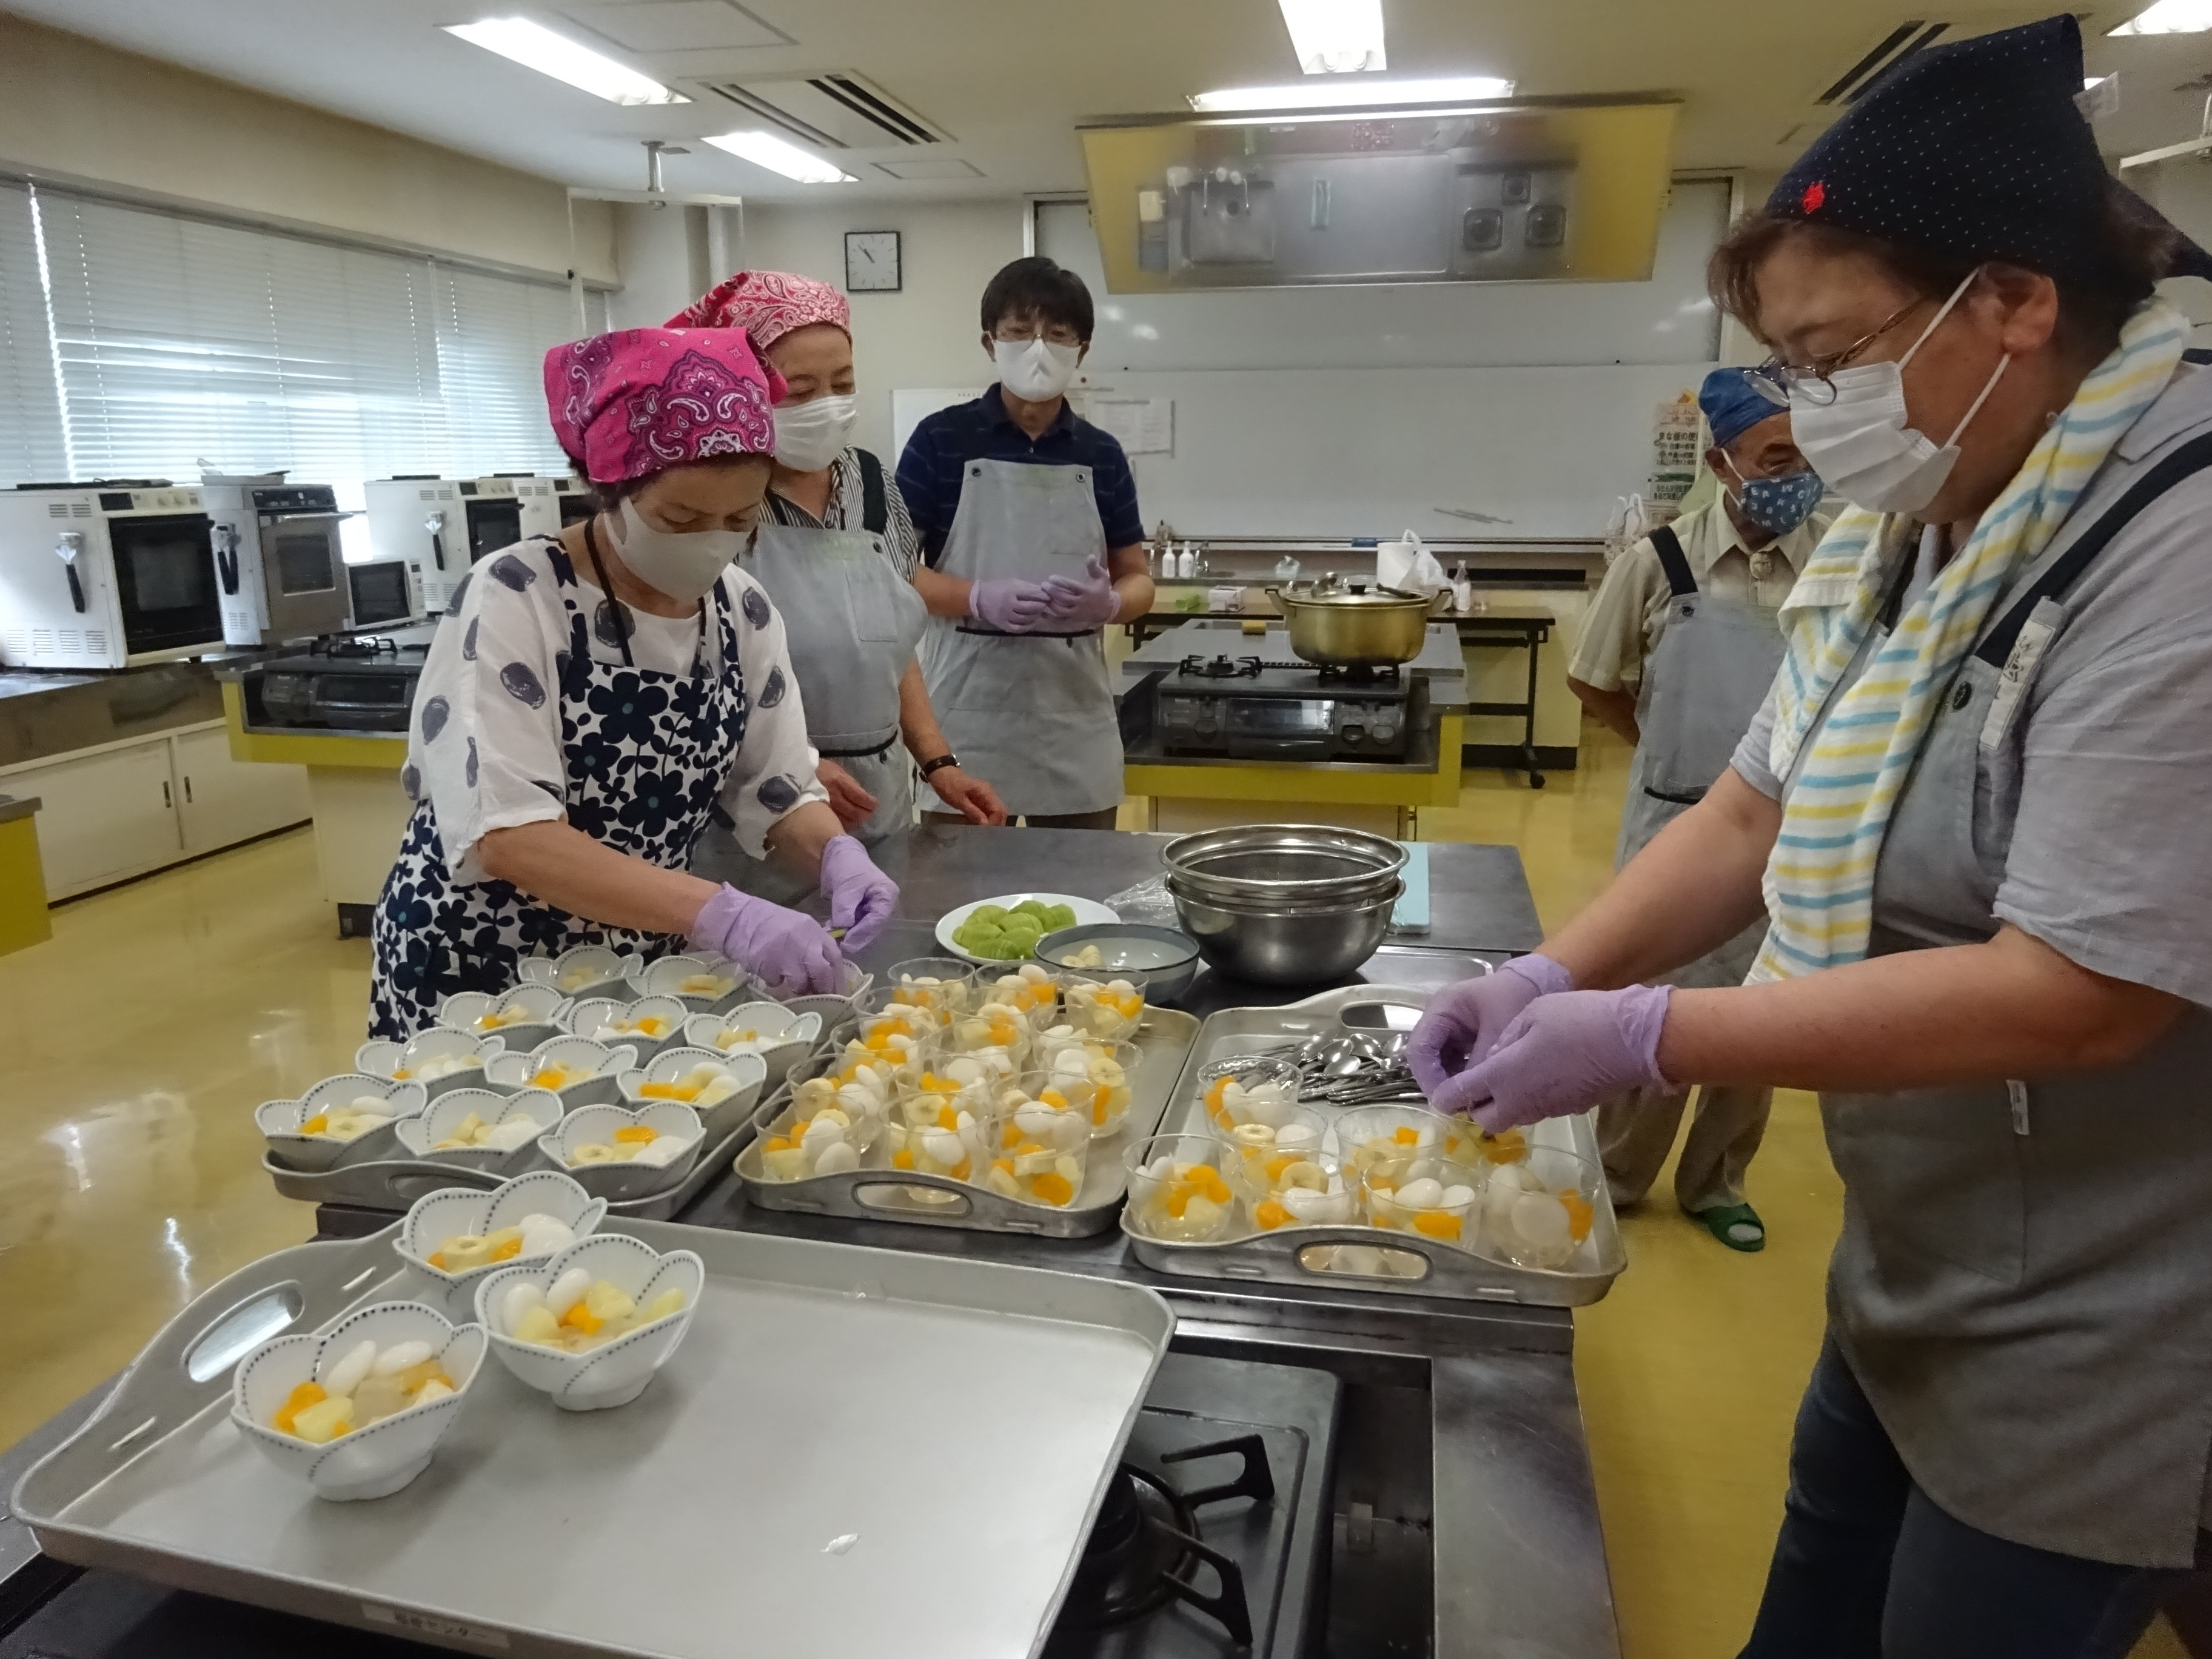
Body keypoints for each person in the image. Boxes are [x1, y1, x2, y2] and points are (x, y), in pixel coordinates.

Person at [1410, 18, 2212, 1654]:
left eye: (1837, 353)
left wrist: (1650, 1030)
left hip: (2107, 1311)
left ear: (2016, 301)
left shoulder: (2174, 533)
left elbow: (2089, 990)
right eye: (1790, 368)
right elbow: (1751, 804)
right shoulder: (1928, 525)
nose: (1816, 407)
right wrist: (1549, 966)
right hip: (1921, 1250)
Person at [368, 326, 899, 1036]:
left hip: (643, 967)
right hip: (483, 973)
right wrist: (721, 911)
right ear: (612, 490)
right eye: (681, 518)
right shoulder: (516, 596)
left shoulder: (740, 609)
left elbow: (775, 786)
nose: (712, 540)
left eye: (739, 520)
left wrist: (835, 853)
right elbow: (508, 834)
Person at [1566, 367, 1831, 1252]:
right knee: (1655, 1004)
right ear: (1722, 463)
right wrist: (1661, 749)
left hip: (1791, 826)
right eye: (1776, 455)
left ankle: (1719, 1180)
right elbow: (1593, 680)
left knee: (1764, 1009)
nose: (1798, 473)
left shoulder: (1833, 563)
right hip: (1675, 820)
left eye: (1808, 453)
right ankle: (1618, 1174)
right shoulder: (1661, 561)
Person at [669, 272, 1006, 884]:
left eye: (843, 384)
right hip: (754, 811)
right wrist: (790, 768)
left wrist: (939, 763)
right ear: (745, 387)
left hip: (877, 802)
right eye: (799, 389)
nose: (827, 403)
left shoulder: (872, 483)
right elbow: (687, 675)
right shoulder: (713, 501)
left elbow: (889, 644)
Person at [896, 256, 1154, 830]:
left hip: (1074, 716)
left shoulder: (1102, 453)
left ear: (1082, 351)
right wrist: (976, 597)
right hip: (967, 710)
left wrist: (1110, 604)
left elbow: (1138, 578)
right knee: (959, 894)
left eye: (1058, 335)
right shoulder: (940, 439)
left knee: (1081, 887)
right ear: (991, 343)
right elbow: (889, 572)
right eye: (1019, 332)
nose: (1038, 349)